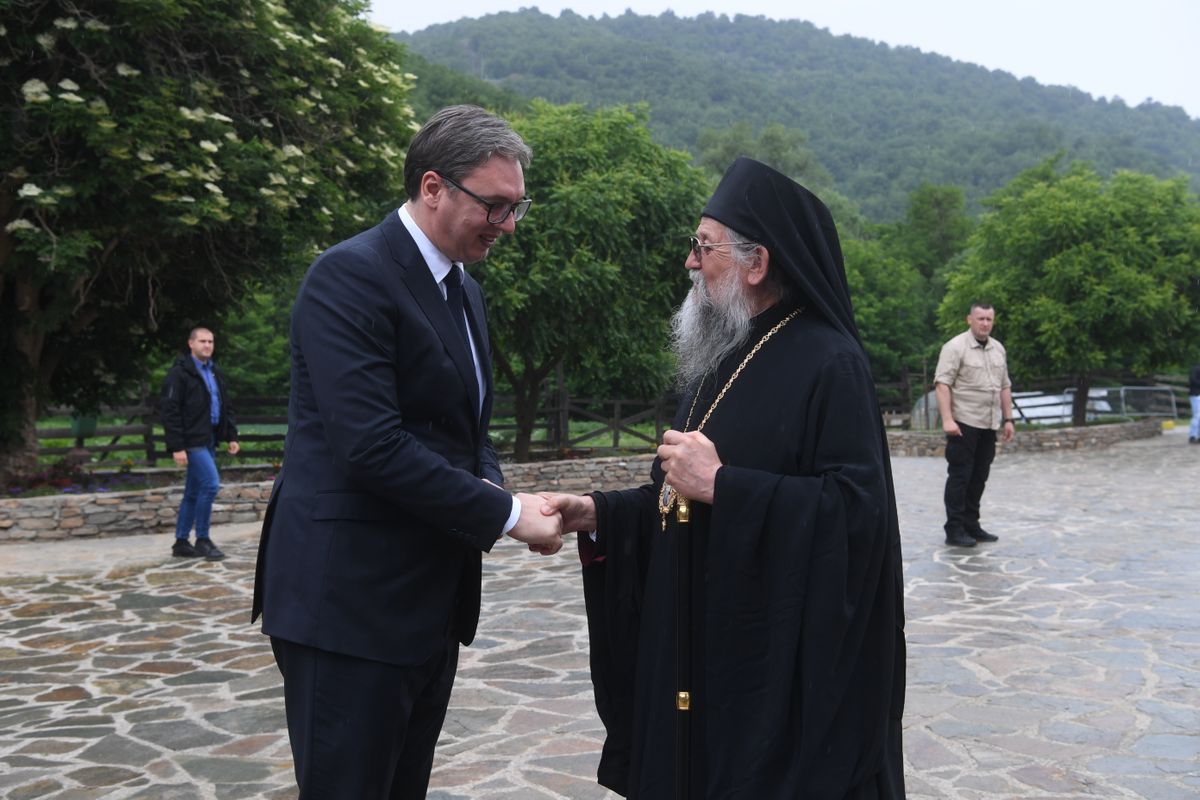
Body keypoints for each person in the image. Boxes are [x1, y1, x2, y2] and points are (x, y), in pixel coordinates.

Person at [542, 158, 906, 798]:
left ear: (757, 262)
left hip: (769, 672)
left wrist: (727, 485)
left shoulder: (832, 362)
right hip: (693, 647)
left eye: (702, 246)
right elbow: (678, 495)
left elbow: (858, 516)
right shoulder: (721, 354)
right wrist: (599, 511)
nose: (690, 261)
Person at [250, 105, 563, 799]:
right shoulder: (350, 276)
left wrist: (503, 495)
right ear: (432, 187)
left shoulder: (464, 292)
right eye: (495, 206)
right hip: (349, 608)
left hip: (426, 605)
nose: (508, 225)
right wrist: (507, 514)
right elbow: (373, 446)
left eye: (518, 208)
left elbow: (466, 433)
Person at [934, 303, 1015, 547]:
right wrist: (947, 419)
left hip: (988, 424)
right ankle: (954, 528)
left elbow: (1004, 386)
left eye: (989, 319)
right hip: (963, 423)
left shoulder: (998, 349)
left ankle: (971, 524)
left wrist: (1008, 419)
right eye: (980, 318)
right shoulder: (955, 347)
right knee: (960, 476)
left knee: (979, 476)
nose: (985, 323)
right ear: (969, 319)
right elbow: (942, 384)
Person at [160, 326, 239, 561]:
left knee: (193, 492)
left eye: (211, 342)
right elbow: (170, 411)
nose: (207, 345)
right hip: (192, 441)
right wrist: (177, 447)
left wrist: (231, 436)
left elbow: (226, 406)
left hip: (210, 438)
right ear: (191, 344)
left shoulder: (216, 372)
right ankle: (203, 539)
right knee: (210, 484)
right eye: (202, 341)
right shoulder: (180, 374)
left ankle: (181, 542)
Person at [1189, 362, 1200, 444]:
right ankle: (1192, 436)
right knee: (1196, 416)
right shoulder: (1196, 368)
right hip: (1196, 395)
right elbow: (1193, 380)